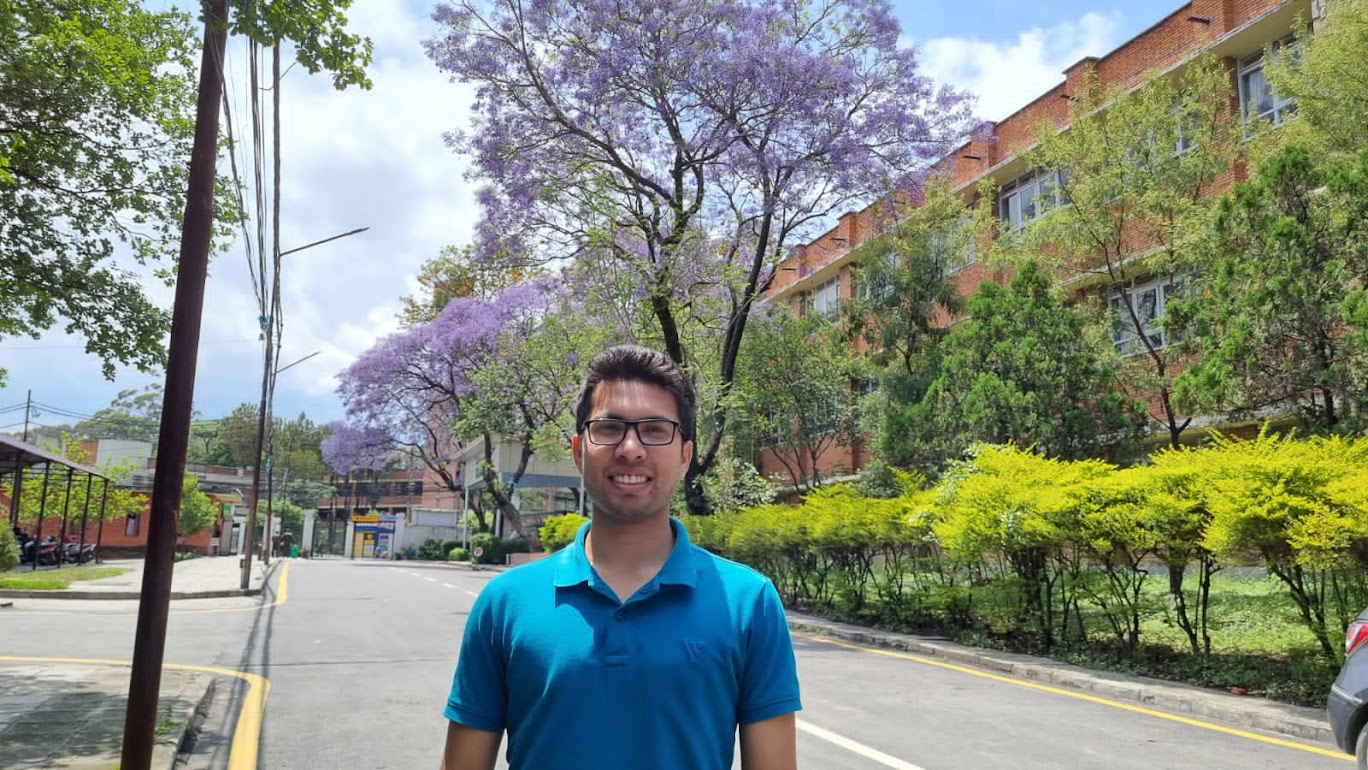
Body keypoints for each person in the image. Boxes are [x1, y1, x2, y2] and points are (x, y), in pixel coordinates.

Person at [441, 345, 801, 770]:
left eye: (654, 429)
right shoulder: (505, 602)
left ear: (685, 455)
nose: (631, 448)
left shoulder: (748, 601)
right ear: (578, 450)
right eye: (609, 428)